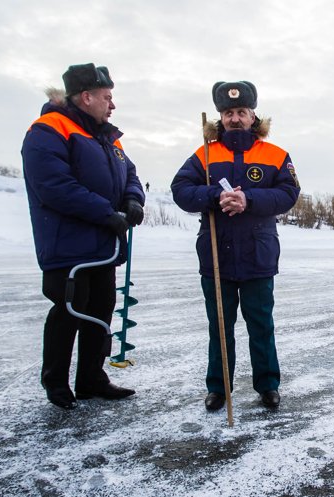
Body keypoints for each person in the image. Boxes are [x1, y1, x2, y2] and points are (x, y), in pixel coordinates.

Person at [22, 63, 145, 410]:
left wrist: (133, 199)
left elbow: (130, 173)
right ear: (86, 96)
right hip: (67, 247)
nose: (112, 104)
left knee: (100, 310)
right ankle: (56, 383)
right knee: (69, 312)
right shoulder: (48, 130)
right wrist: (105, 212)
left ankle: (92, 378)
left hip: (102, 247)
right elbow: (53, 186)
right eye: (107, 97)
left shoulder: (107, 138)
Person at [171, 81, 300, 411]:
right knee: (220, 327)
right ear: (220, 117)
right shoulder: (206, 153)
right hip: (217, 254)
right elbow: (181, 189)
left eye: (241, 112)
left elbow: (288, 194)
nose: (235, 119)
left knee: (261, 325)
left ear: (253, 116)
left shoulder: (275, 154)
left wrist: (249, 199)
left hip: (258, 255)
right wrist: (214, 196)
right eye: (228, 113)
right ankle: (219, 387)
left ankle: (267, 385)